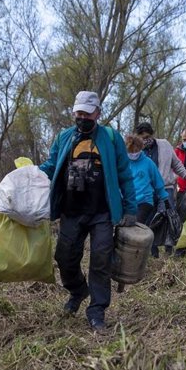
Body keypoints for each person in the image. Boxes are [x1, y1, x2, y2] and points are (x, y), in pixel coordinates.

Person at [39, 91, 137, 333]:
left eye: (87, 113)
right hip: (71, 211)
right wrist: (29, 174)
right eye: (78, 113)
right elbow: (51, 166)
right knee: (64, 258)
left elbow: (125, 174)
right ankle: (78, 290)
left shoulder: (110, 138)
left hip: (101, 212)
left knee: (101, 261)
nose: (82, 117)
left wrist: (130, 208)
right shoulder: (64, 137)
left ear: (98, 113)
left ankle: (97, 311)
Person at [135, 122, 186, 256]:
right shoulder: (135, 151)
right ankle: (153, 252)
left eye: (147, 137)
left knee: (168, 217)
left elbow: (176, 164)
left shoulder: (164, 145)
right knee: (149, 221)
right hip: (146, 191)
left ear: (152, 135)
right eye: (142, 138)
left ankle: (170, 249)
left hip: (166, 188)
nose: (145, 140)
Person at [125, 135, 169, 227]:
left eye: (136, 151)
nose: (133, 153)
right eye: (130, 151)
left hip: (144, 201)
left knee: (135, 225)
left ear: (141, 149)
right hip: (127, 201)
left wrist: (165, 198)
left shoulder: (148, 163)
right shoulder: (123, 163)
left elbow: (158, 182)